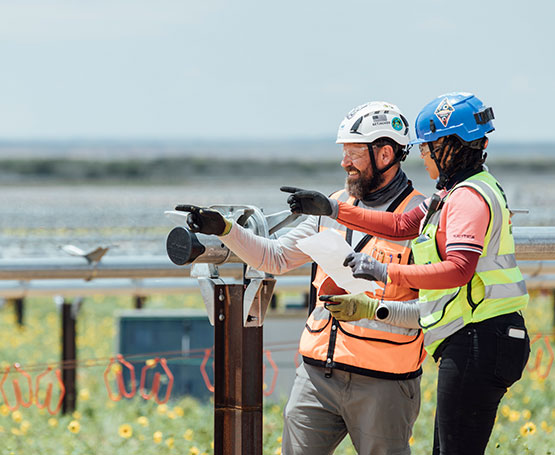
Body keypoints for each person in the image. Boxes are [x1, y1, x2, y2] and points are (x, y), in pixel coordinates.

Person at [285, 92, 531, 455]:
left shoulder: (466, 198)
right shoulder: (450, 192)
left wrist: (383, 271)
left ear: (448, 146)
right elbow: (400, 224)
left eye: (427, 147)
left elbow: (459, 270)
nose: (423, 156)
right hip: (478, 338)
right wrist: (334, 208)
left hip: (481, 338)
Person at [176, 101, 426, 455]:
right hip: (317, 377)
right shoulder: (333, 208)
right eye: (344, 153)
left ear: (385, 154)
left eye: (354, 153)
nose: (344, 163)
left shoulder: (421, 219)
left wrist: (372, 309)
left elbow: (436, 308)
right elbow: (274, 257)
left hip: (383, 382)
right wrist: (224, 229)